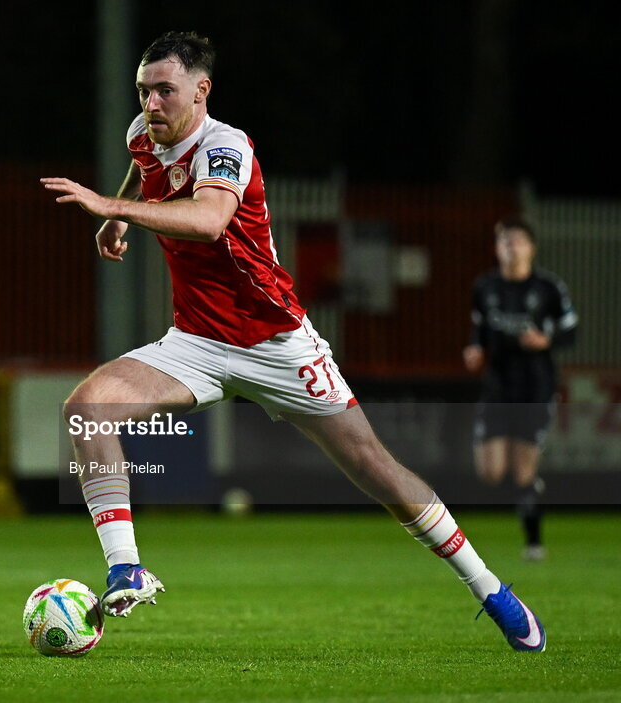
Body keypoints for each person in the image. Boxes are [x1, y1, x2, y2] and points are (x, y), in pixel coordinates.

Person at [42, 31, 545, 652]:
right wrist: (120, 214)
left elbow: (207, 221)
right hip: (195, 340)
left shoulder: (226, 147)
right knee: (87, 411)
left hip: (276, 341)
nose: (151, 103)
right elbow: (144, 167)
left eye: (165, 91)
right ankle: (126, 570)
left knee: (378, 470)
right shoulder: (142, 135)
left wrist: (104, 204)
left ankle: (491, 588)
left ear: (201, 91)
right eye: (144, 90)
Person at [464, 218, 578, 562]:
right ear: (497, 248)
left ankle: (533, 541)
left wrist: (547, 340)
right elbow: (479, 329)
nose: (510, 247)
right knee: (491, 472)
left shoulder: (548, 288)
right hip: (498, 385)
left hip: (535, 385)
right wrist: (474, 350)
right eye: (504, 242)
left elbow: (571, 332)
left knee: (523, 471)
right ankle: (531, 490)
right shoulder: (484, 286)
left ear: (531, 247)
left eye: (517, 241)